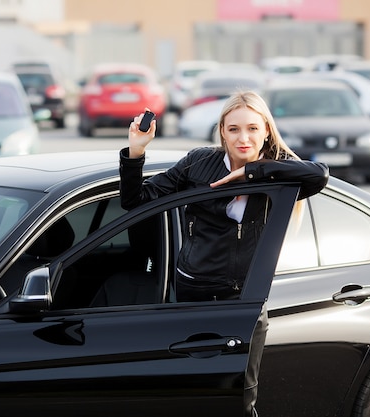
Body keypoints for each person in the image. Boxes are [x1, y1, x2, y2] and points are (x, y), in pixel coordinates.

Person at [119, 90, 329, 416]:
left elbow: (319, 175)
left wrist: (251, 174)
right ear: (222, 131)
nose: (243, 138)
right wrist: (136, 152)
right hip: (194, 292)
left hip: (244, 299)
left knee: (240, 398)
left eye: (252, 129)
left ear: (266, 131)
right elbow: (136, 201)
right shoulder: (199, 162)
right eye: (233, 129)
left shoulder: (281, 169)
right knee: (193, 393)